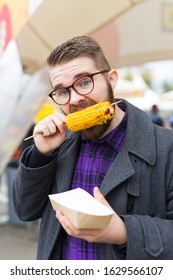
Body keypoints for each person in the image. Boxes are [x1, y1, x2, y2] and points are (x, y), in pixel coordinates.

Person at [13, 36, 173, 260]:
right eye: (62, 91)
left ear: (112, 79)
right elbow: (24, 210)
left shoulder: (167, 148)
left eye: (84, 82)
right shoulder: (58, 144)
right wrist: (41, 155)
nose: (76, 99)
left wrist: (126, 233)